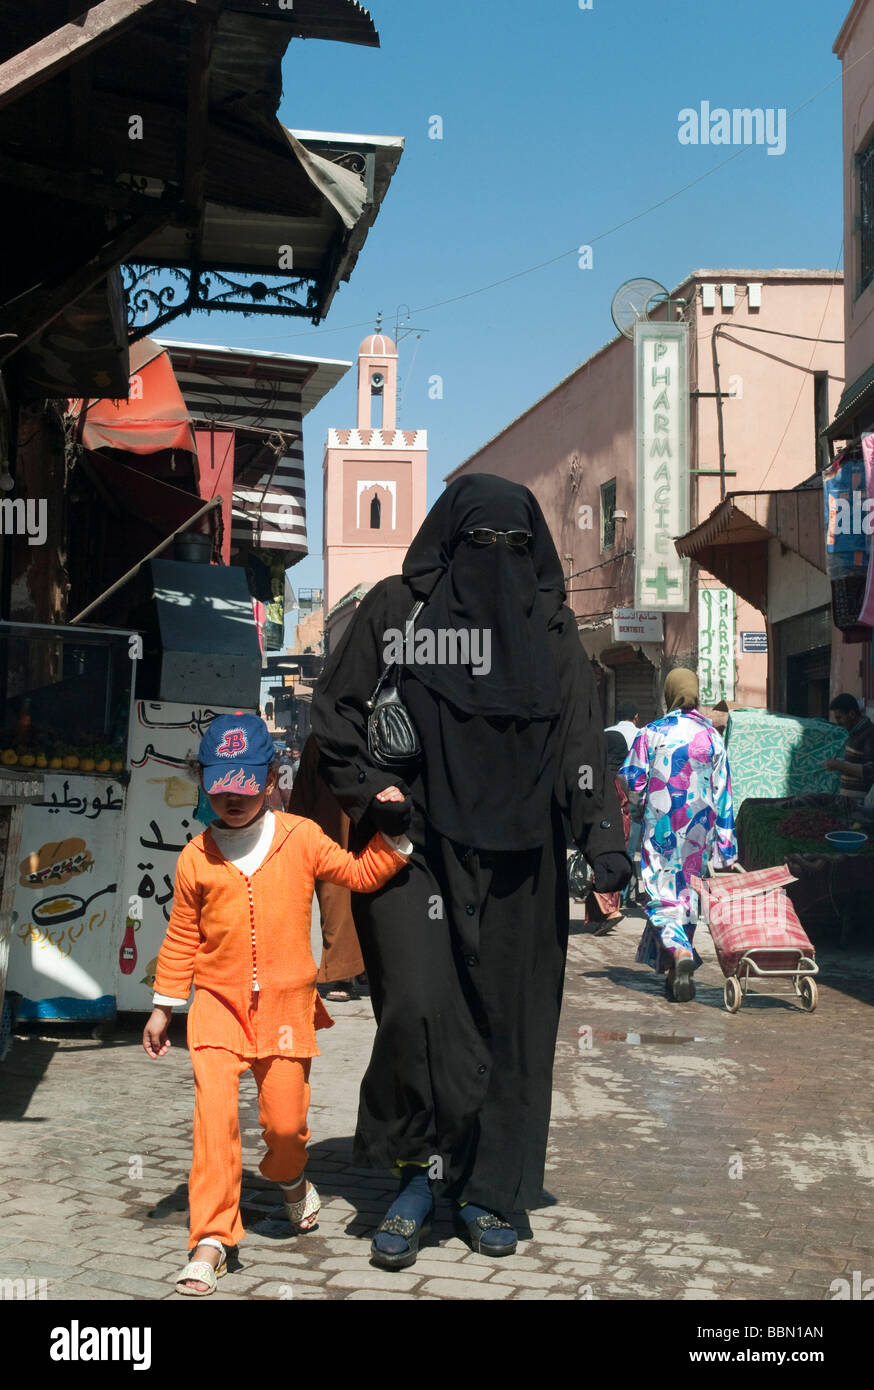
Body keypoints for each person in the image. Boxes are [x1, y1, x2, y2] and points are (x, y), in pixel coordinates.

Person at [311, 473, 631, 1270]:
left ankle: (488, 1189)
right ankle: (418, 1177)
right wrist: (367, 788)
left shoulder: (553, 627)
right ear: (447, 544)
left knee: (509, 1025)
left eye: (516, 547)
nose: (498, 562)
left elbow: (582, 745)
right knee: (420, 1009)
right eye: (481, 544)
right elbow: (335, 710)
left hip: (523, 856)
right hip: (414, 845)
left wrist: (603, 847)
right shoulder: (399, 611)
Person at [141, 713, 411, 1296]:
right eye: (220, 789)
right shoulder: (194, 857)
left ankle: (290, 1183)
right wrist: (165, 1005)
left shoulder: (303, 837)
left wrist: (393, 834)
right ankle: (211, 1241)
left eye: (244, 786)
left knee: (284, 1127)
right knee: (214, 1119)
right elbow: (183, 935)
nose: (232, 800)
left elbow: (358, 872)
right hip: (215, 1004)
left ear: (269, 778)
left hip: (288, 1007)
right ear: (205, 785)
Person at [621, 668, 737, 1002]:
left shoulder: (653, 732)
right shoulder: (713, 736)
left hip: (661, 827)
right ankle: (674, 973)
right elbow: (724, 791)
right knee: (687, 898)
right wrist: (725, 846)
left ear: (668, 692)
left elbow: (633, 779)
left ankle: (681, 953)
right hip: (699, 832)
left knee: (660, 894)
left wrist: (640, 805)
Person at [290, 733, 365, 1003]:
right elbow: (305, 790)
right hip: (331, 812)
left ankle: (362, 966)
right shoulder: (320, 740)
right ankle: (342, 971)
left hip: (371, 811)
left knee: (375, 889)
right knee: (337, 891)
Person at [584, 730, 632, 932]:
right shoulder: (623, 775)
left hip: (606, 827)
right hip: (623, 825)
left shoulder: (601, 775)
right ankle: (603, 915)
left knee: (603, 866)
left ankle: (611, 912)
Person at [824, 694, 874, 806]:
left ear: (851, 714)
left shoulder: (870, 734)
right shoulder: (854, 733)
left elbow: (870, 771)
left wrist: (839, 765)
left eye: (839, 717)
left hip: (862, 805)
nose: (838, 722)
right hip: (849, 802)